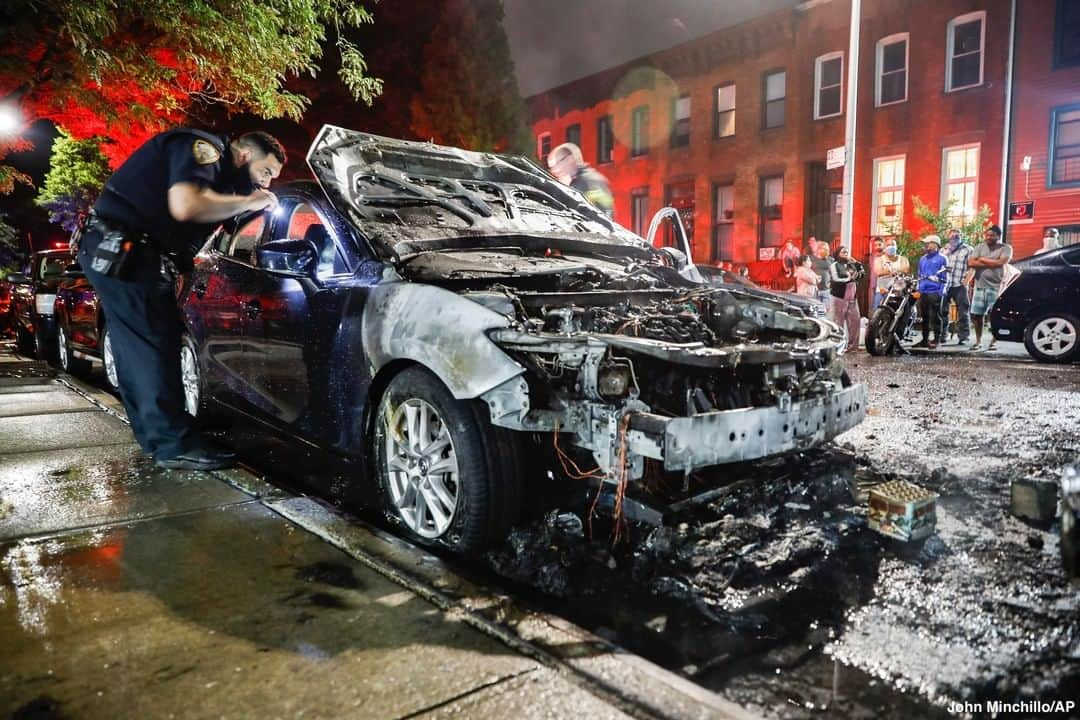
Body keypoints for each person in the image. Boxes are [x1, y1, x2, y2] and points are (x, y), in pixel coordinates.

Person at [78, 129, 285, 470]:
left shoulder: (220, 179)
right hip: (124, 251)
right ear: (246, 155)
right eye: (266, 172)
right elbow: (185, 204)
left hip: (123, 252)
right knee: (153, 344)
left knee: (139, 347)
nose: (267, 184)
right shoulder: (204, 149)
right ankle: (173, 445)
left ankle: (158, 436)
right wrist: (251, 201)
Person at [968, 224, 1013, 351]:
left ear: (998, 236)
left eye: (992, 235)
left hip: (997, 287)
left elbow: (1001, 262)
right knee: (977, 315)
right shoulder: (979, 247)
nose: (988, 237)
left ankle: (993, 341)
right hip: (979, 286)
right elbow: (971, 262)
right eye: (987, 235)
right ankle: (978, 341)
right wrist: (992, 262)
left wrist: (982, 259)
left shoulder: (1006, 248)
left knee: (995, 316)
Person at [546, 142, 614, 217]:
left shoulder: (590, 181)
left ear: (569, 159)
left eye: (556, 164)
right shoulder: (573, 183)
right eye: (551, 168)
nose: (554, 171)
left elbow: (607, 213)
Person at [939, 229, 973, 345]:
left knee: (963, 311)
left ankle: (963, 337)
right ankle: (942, 336)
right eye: (952, 235)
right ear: (948, 236)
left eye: (957, 235)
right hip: (945, 285)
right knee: (942, 311)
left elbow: (973, 267)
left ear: (961, 236)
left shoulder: (968, 249)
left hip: (960, 285)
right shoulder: (943, 250)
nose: (955, 237)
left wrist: (966, 281)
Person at [915, 234, 947, 349]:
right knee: (925, 317)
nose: (926, 246)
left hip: (935, 291)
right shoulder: (922, 258)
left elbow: (944, 277)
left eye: (928, 244)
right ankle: (925, 339)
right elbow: (919, 274)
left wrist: (941, 291)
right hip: (924, 291)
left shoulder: (942, 259)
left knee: (936, 316)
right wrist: (919, 289)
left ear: (935, 244)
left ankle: (937, 340)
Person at [829, 246, 863, 352]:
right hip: (839, 297)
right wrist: (849, 279)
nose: (846, 254)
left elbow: (861, 274)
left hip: (852, 297)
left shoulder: (851, 264)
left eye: (847, 252)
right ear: (838, 253)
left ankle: (853, 347)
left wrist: (857, 264)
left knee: (855, 322)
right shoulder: (834, 265)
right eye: (843, 252)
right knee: (838, 322)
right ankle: (837, 347)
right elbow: (835, 279)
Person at [871, 240, 910, 310]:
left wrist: (888, 271)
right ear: (885, 248)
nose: (890, 247)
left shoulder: (903, 259)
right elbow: (878, 272)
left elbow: (906, 270)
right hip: (882, 290)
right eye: (888, 245)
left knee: (899, 311)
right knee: (877, 311)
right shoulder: (879, 260)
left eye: (892, 245)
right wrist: (894, 271)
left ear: (896, 247)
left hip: (898, 292)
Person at [810, 241, 834, 309]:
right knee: (814, 308)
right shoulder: (812, 259)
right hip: (814, 289)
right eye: (822, 248)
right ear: (818, 249)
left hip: (826, 289)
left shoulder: (830, 260)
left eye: (826, 249)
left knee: (825, 309)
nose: (823, 250)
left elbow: (834, 272)